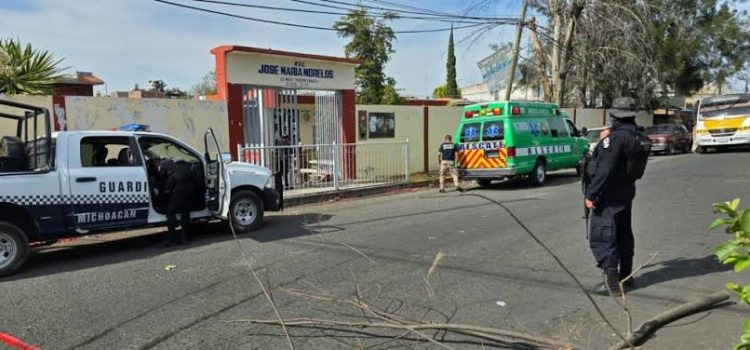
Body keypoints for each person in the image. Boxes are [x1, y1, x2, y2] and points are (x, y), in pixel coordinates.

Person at [585, 97, 641, 296]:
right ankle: (626, 276)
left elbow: (605, 169)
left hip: (608, 195)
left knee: (604, 236)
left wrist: (592, 193)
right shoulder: (636, 134)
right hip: (625, 192)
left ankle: (612, 285)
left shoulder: (615, 139)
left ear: (615, 116)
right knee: (623, 234)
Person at [158, 158, 195, 247]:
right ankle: (184, 238)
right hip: (189, 195)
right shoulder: (186, 169)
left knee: (170, 213)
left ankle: (171, 239)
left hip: (178, 194)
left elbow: (167, 191)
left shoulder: (171, 176)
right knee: (185, 214)